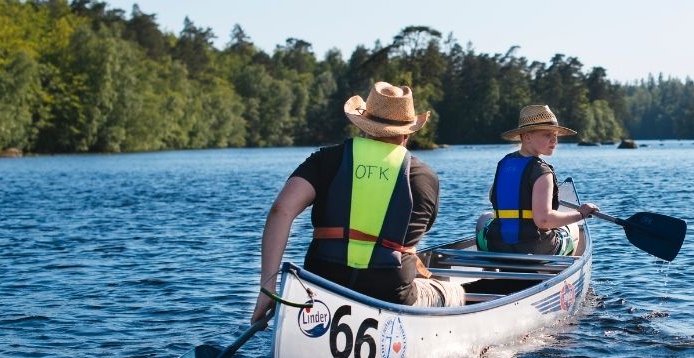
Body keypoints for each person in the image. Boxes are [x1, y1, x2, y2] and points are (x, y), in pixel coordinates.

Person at [250, 82, 464, 325]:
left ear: (364, 127)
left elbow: (281, 210)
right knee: (454, 292)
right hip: (390, 293)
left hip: (324, 284)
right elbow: (418, 231)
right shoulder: (424, 176)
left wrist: (267, 287)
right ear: (407, 134)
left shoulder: (325, 160)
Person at [482, 104, 599, 255]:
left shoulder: (504, 163)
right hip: (533, 248)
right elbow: (543, 221)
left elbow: (494, 198)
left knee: (484, 219)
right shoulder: (542, 172)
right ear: (527, 136)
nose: (554, 140)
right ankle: (560, 273)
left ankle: (491, 269)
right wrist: (581, 214)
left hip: (497, 246)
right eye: (547, 135)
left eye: (555, 136)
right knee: (575, 229)